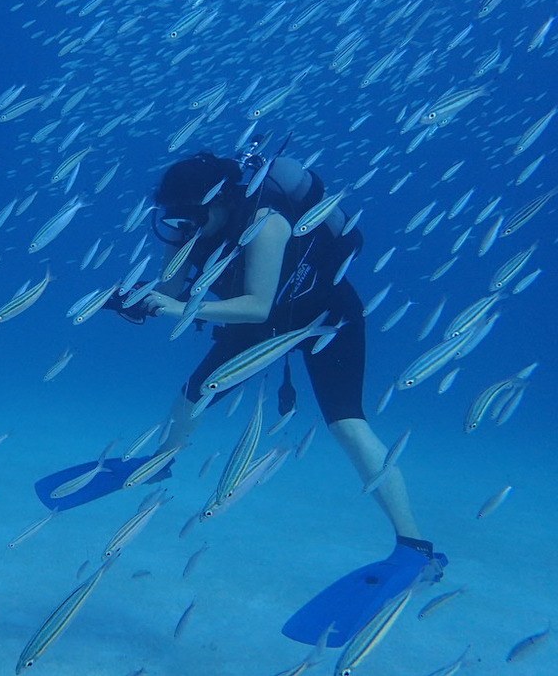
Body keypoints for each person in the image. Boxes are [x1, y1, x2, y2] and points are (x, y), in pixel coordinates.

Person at [136, 145, 446, 647]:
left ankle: (414, 546)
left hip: (326, 317)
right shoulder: (189, 230)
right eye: (173, 217)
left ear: (222, 201)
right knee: (192, 395)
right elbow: (169, 292)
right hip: (257, 326)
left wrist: (176, 310)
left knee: (346, 423)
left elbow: (256, 306)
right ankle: (160, 462)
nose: (182, 225)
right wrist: (136, 300)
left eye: (190, 214)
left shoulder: (267, 222)